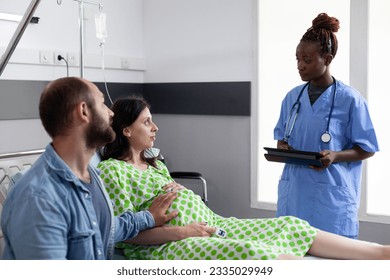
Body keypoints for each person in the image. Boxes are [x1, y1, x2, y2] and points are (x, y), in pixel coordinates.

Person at [97, 96, 390, 260]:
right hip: (169, 245)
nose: (155, 127)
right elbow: (124, 234)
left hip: (214, 225)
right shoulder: (112, 171)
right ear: (125, 130)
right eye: (146, 122)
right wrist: (186, 231)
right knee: (250, 250)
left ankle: (381, 253)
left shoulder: (155, 163)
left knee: (291, 225)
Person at [0, 77, 178, 260]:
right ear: (83, 111)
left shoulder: (90, 175)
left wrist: (148, 218)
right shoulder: (39, 198)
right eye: (102, 103)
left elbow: (103, 228)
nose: (112, 114)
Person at [273, 13, 379, 239]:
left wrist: (335, 156)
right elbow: (283, 138)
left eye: (307, 60)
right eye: (297, 59)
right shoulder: (292, 98)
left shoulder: (350, 99)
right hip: (294, 194)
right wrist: (283, 148)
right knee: (292, 258)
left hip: (331, 199)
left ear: (327, 59)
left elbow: (367, 148)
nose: (300, 66)